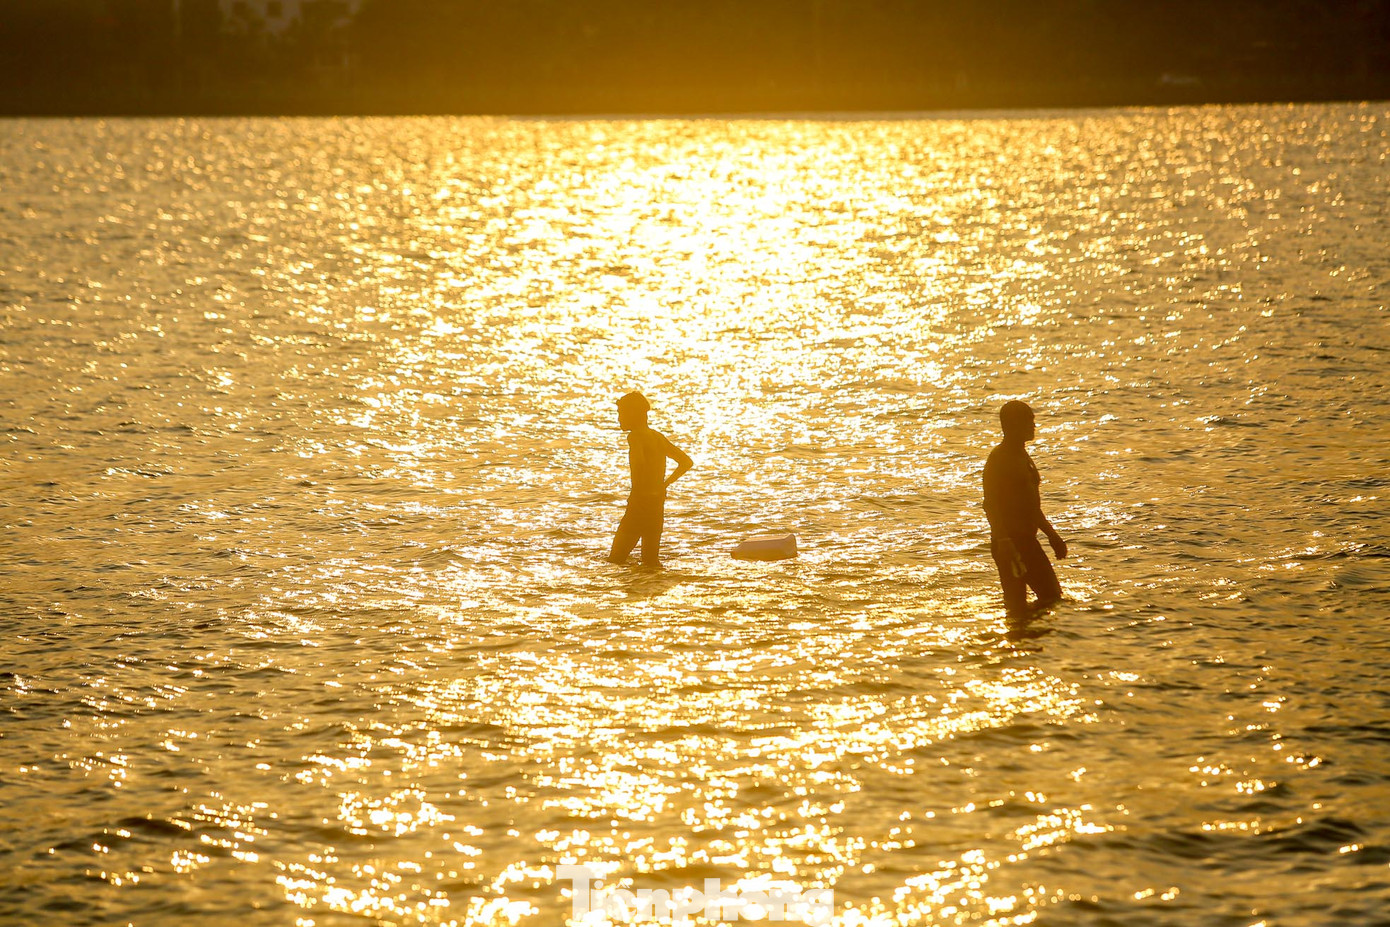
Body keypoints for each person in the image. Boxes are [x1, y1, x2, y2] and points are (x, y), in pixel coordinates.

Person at [983, 400, 1067, 616]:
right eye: (1029, 421)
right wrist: (1004, 541)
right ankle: (1021, 635)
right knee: (1029, 602)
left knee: (1045, 600)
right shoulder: (1000, 458)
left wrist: (1052, 535)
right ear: (1013, 424)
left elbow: (1030, 506)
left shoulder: (1022, 455)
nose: (1034, 425)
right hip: (1011, 544)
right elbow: (990, 505)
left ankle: (1028, 636)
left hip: (1027, 541)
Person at [608, 391, 693, 567]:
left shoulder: (635, 437)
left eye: (621, 413)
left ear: (633, 413)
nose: (619, 419)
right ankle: (651, 585)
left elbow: (640, 464)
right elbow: (686, 462)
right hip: (656, 502)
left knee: (615, 560)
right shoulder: (657, 437)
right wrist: (664, 484)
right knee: (651, 562)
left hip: (639, 503)